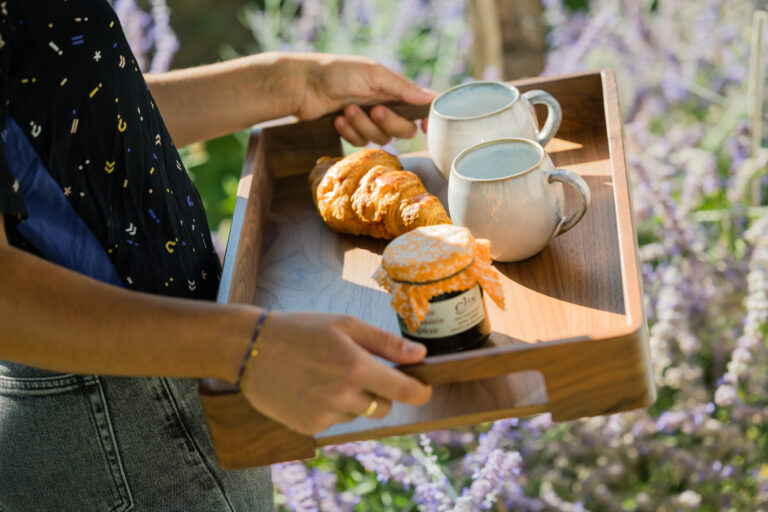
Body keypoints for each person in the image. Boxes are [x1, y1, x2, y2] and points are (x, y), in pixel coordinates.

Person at [0, 1, 435, 510]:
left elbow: (66, 115)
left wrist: (287, 84)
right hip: (120, 414)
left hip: (165, 372)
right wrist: (245, 346)